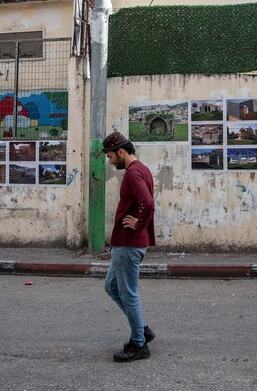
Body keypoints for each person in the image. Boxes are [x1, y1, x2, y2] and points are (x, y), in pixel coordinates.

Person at [102, 131, 157, 363]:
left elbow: (148, 203)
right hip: (123, 243)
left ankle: (138, 344)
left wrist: (138, 224)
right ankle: (142, 328)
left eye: (111, 156)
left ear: (121, 152)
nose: (110, 160)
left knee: (129, 294)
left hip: (129, 243)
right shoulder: (141, 169)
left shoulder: (134, 173)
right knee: (111, 286)